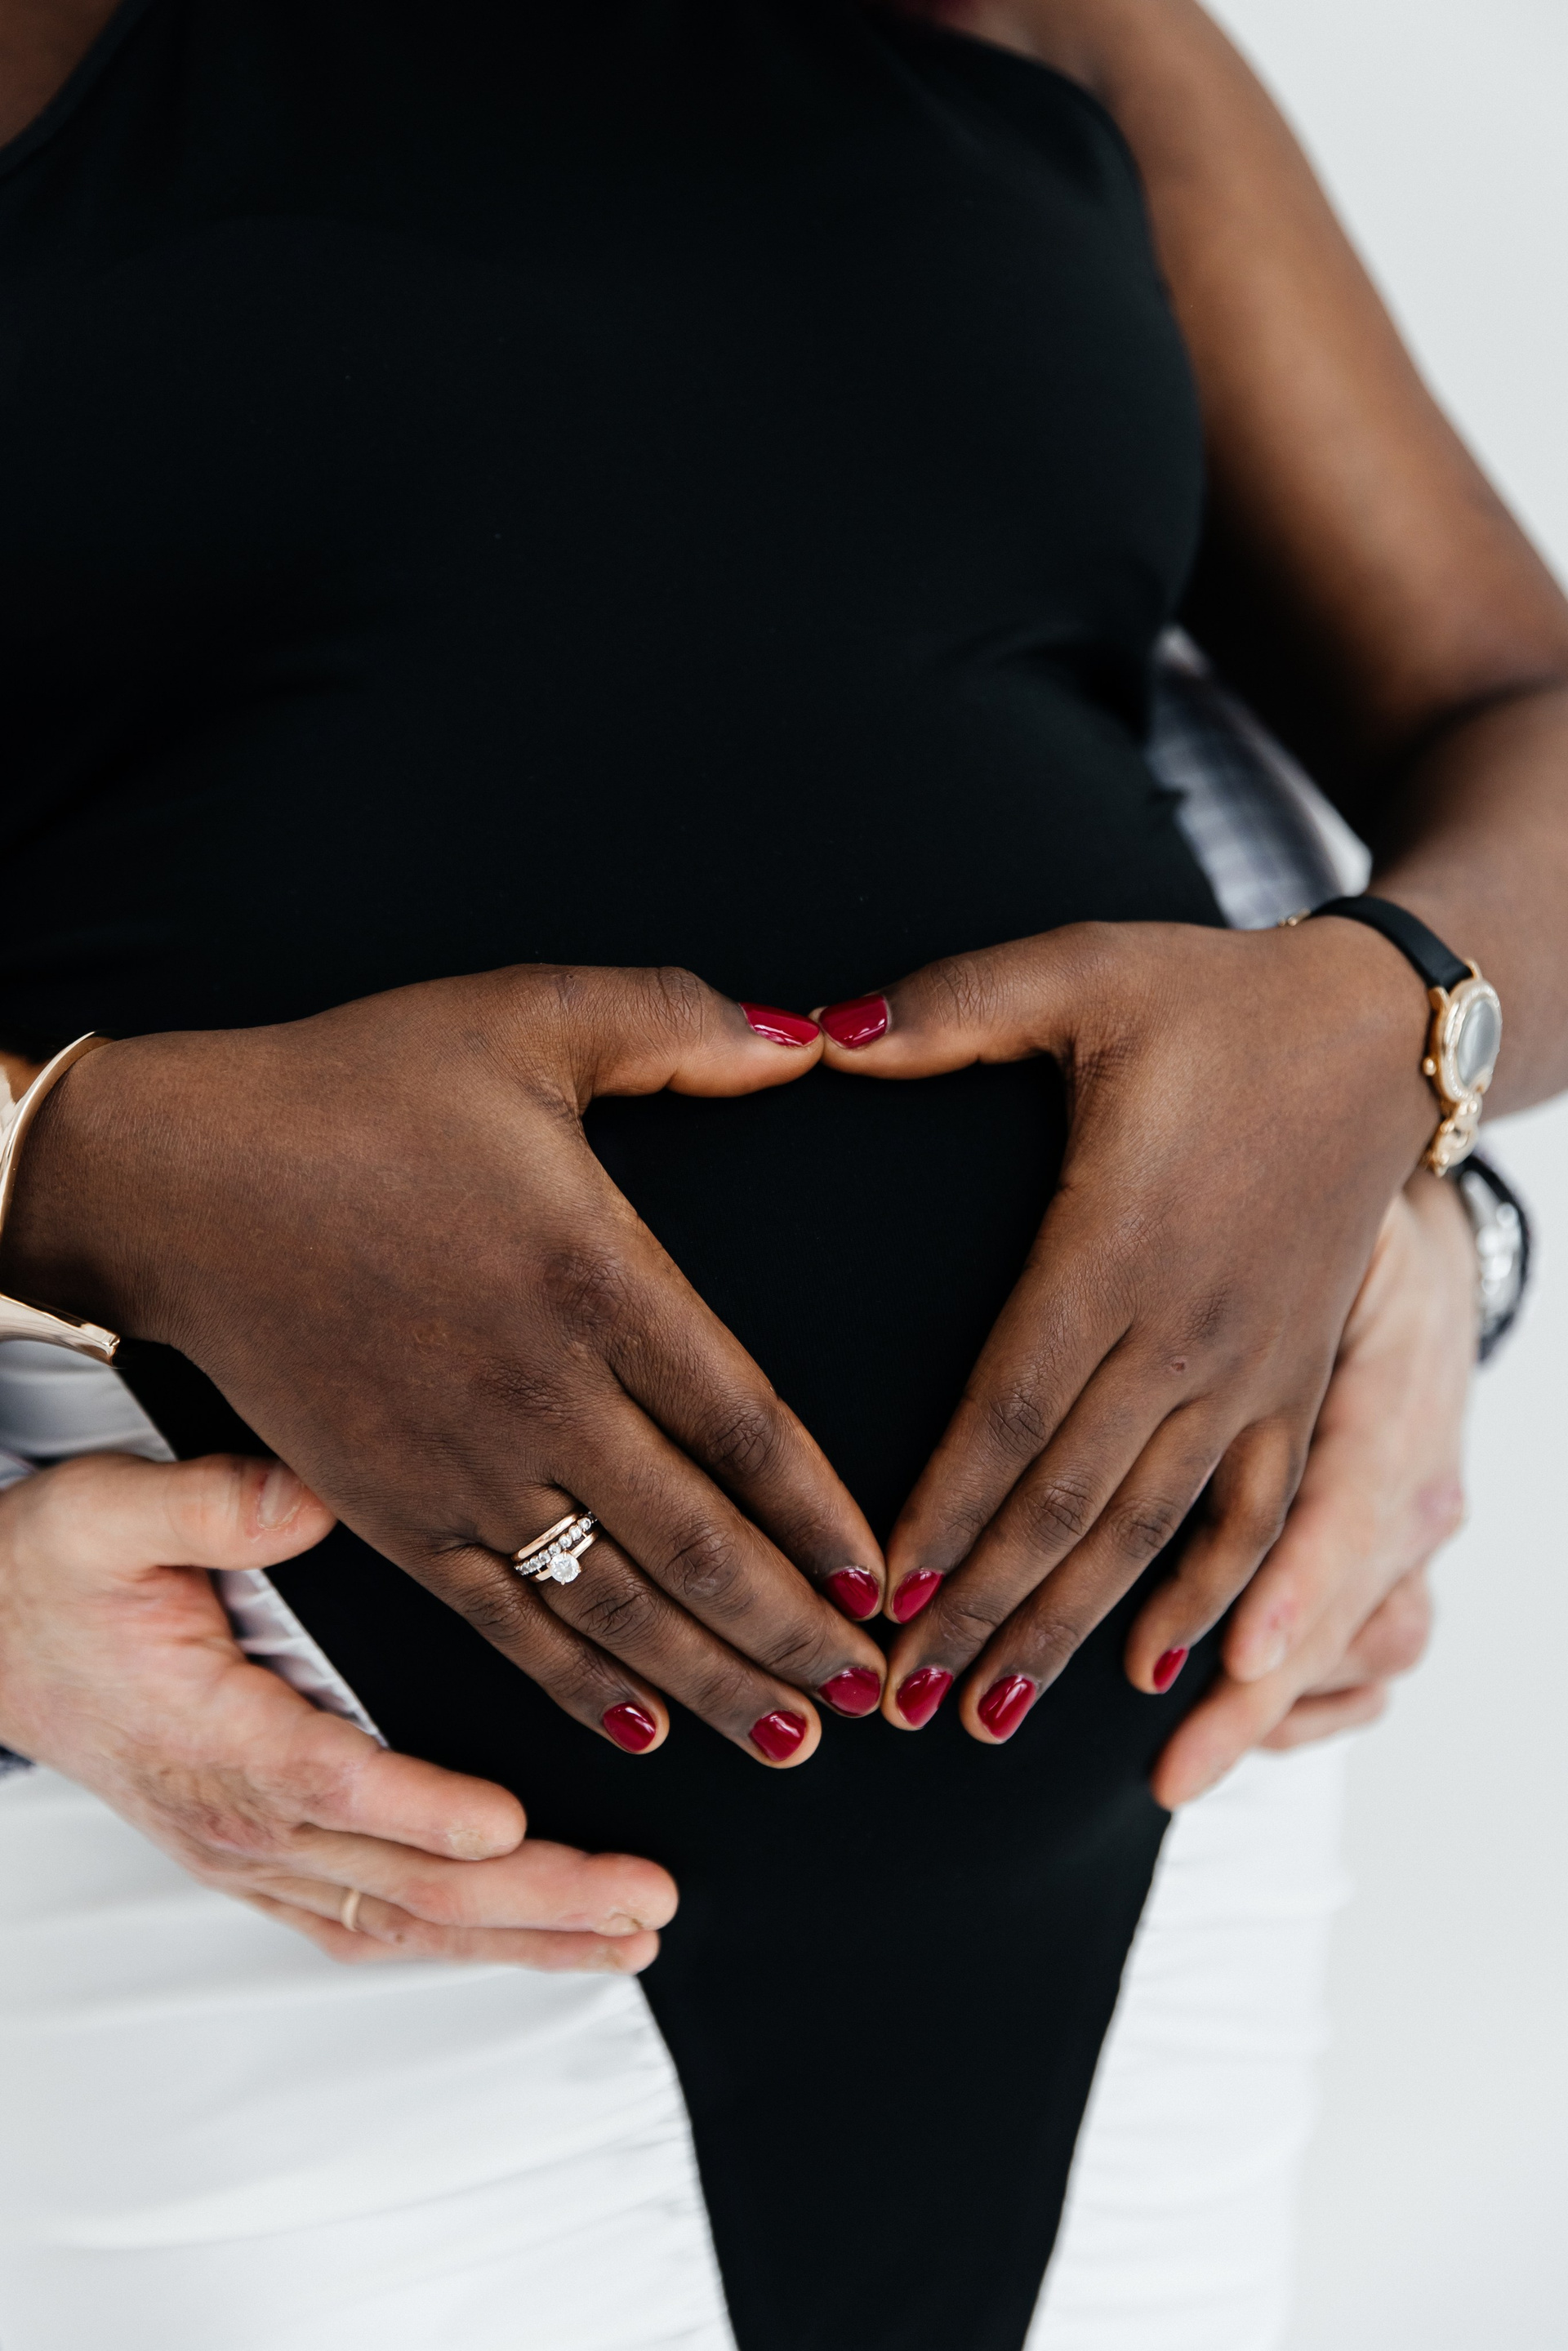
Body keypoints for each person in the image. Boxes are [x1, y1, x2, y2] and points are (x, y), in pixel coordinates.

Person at [2, 2, 1564, 2345]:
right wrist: (76, 1159)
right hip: (277, 1826)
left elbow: (1514, 716)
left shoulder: (1058, 18)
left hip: (1173, 1834)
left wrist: (1386, 1049)